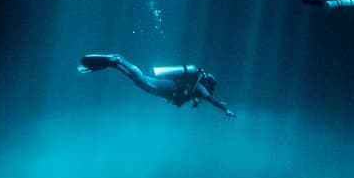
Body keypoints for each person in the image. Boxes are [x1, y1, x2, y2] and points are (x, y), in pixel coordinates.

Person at [77, 53, 236, 114]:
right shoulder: (200, 87)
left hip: (162, 88)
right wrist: (226, 110)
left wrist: (196, 102)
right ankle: (120, 60)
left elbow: (199, 99)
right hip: (161, 88)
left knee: (138, 80)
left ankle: (115, 64)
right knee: (141, 79)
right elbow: (212, 99)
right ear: (208, 83)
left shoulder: (196, 89)